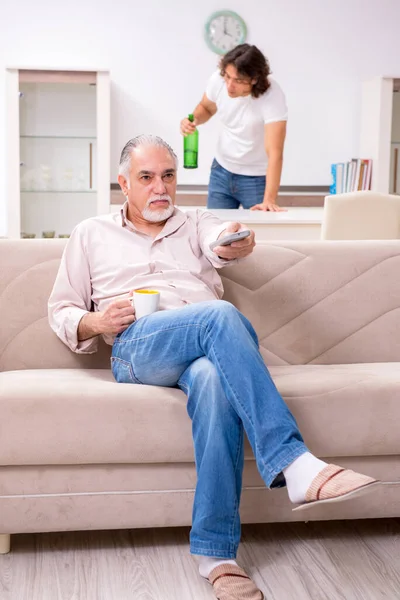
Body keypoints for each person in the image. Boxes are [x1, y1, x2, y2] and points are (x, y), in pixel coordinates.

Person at [48, 135, 378, 600]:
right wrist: (95, 320)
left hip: (204, 348)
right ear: (124, 183)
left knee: (213, 380)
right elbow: (60, 309)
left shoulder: (196, 221)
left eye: (168, 176)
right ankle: (295, 463)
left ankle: (216, 556)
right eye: (146, 178)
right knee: (219, 316)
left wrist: (232, 243)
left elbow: (220, 240)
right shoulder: (91, 233)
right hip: (137, 347)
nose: (159, 187)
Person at [180, 43, 288, 212]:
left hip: (255, 179)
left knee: (259, 232)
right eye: (228, 77)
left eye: (238, 81)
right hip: (221, 171)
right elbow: (207, 108)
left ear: (254, 79)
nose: (229, 86)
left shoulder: (272, 96)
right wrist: (193, 121)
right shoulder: (219, 79)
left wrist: (269, 200)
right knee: (215, 231)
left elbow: (275, 152)